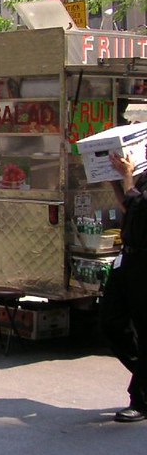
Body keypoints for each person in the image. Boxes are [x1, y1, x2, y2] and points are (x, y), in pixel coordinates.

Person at [100, 144, 147, 422]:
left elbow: (140, 208)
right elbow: (127, 207)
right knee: (109, 321)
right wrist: (115, 181)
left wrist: (127, 178)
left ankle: (140, 399)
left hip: (144, 262)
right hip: (128, 259)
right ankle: (143, 374)